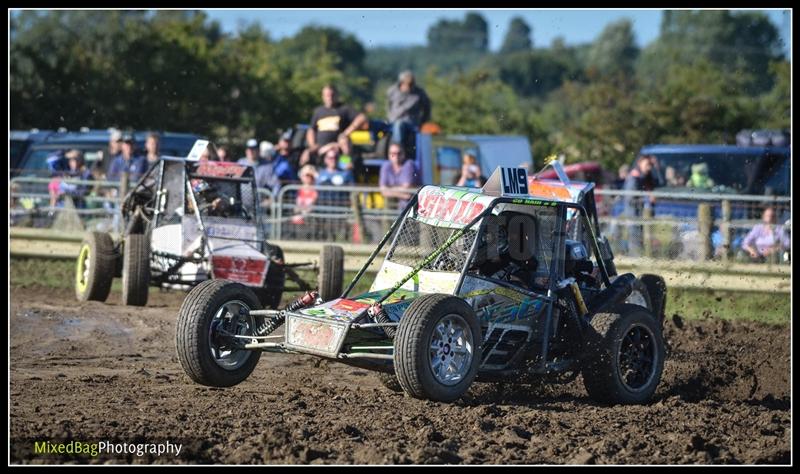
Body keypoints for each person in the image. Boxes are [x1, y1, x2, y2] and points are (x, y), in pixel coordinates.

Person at [299, 84, 368, 167]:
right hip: (321, 148)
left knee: (345, 145)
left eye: (332, 95)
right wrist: (312, 146)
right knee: (305, 156)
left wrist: (345, 133)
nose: (330, 97)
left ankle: (346, 170)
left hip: (338, 146)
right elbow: (311, 130)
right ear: (323, 96)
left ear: (337, 95)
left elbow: (362, 118)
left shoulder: (344, 109)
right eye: (327, 95)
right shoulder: (318, 111)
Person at [386, 70, 431, 158]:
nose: (409, 86)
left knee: (399, 125)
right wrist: (389, 117)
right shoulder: (392, 91)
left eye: (411, 84)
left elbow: (427, 107)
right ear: (401, 83)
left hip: (411, 122)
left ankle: (398, 151)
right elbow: (388, 106)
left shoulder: (419, 93)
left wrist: (422, 122)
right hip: (393, 120)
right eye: (407, 84)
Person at [379, 143, 420, 209]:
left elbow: (406, 188)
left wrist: (389, 190)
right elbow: (382, 190)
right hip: (392, 205)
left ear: (404, 154)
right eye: (393, 153)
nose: (396, 156)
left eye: (399, 153)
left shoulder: (409, 164)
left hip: (410, 206)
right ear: (389, 155)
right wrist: (402, 194)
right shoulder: (386, 165)